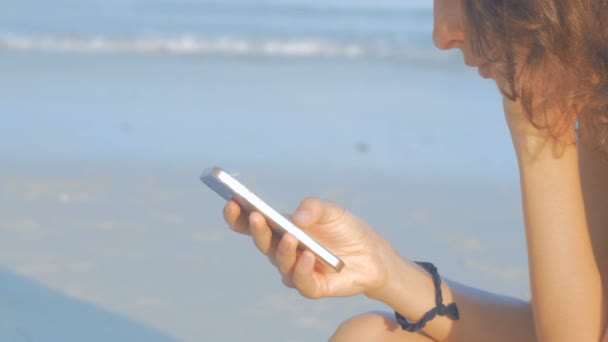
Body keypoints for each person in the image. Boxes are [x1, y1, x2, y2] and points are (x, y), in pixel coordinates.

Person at [223, 0, 608, 341]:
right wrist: (381, 268)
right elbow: (570, 328)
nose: (442, 35)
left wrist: (538, 134)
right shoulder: (596, 107)